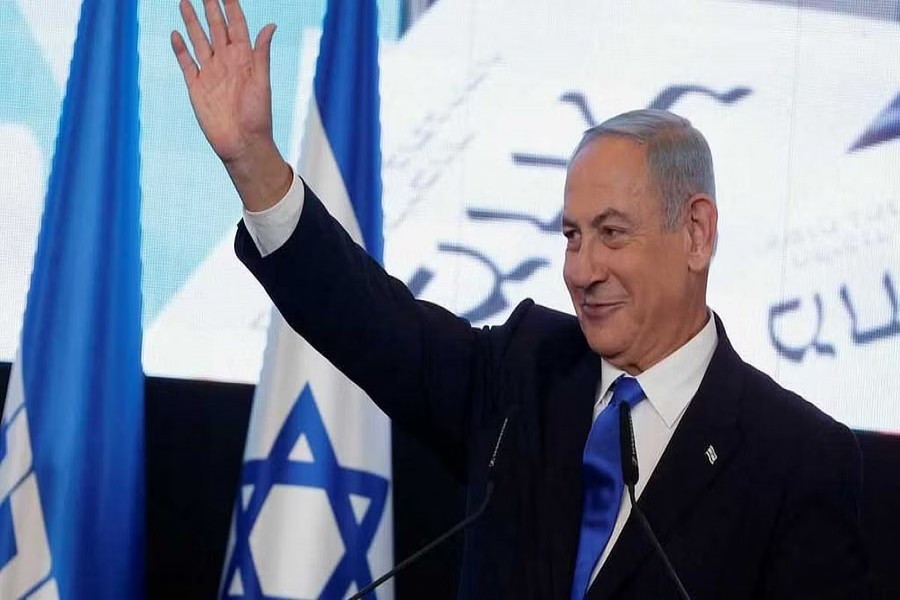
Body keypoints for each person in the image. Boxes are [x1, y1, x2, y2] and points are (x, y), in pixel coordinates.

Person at [172, 1, 868, 597]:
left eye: (611, 234)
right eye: (571, 234)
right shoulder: (525, 372)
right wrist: (253, 161)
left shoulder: (797, 460)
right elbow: (371, 323)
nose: (582, 268)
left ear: (695, 233)